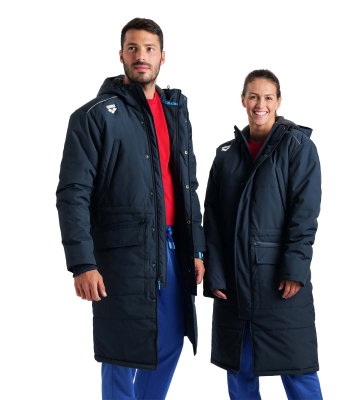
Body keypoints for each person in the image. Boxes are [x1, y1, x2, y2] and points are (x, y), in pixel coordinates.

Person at [56, 18, 206, 400]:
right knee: (121, 352)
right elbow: (73, 193)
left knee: (170, 341)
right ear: (121, 54)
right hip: (121, 252)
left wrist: (198, 248)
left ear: (162, 57)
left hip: (172, 244)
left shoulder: (175, 112)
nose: (142, 56)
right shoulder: (93, 116)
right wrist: (82, 263)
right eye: (133, 48)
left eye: (149, 49)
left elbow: (187, 186)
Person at [203, 69, 323, 399]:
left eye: (268, 97)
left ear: (278, 101)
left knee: (298, 370)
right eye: (254, 97)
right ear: (243, 100)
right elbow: (212, 221)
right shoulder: (226, 155)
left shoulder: (298, 147)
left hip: (278, 281)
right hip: (234, 284)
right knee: (239, 369)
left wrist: (295, 269)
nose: (261, 104)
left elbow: (305, 214)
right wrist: (215, 275)